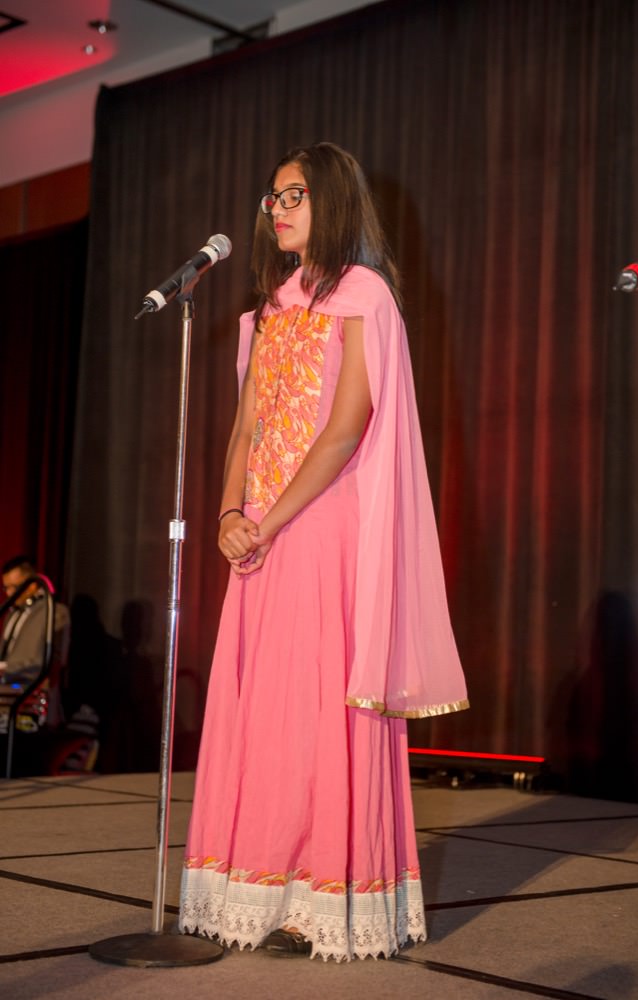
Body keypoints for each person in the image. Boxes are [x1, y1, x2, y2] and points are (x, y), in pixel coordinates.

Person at [179, 142, 468, 962]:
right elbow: (245, 427)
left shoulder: (363, 295)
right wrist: (229, 512)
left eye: (294, 195)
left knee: (317, 712)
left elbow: (344, 429)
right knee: (263, 711)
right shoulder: (267, 308)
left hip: (322, 528)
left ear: (332, 199)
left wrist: (269, 519)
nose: (277, 210)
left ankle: (320, 900)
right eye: (272, 197)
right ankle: (257, 886)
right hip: (261, 535)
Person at [0, 555, 71, 730]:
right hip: (6, 700)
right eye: (6, 587)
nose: (9, 593)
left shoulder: (55, 612)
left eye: (14, 587)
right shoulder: (12, 614)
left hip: (31, 703)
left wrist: (5, 668)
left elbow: (52, 662)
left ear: (32, 585)